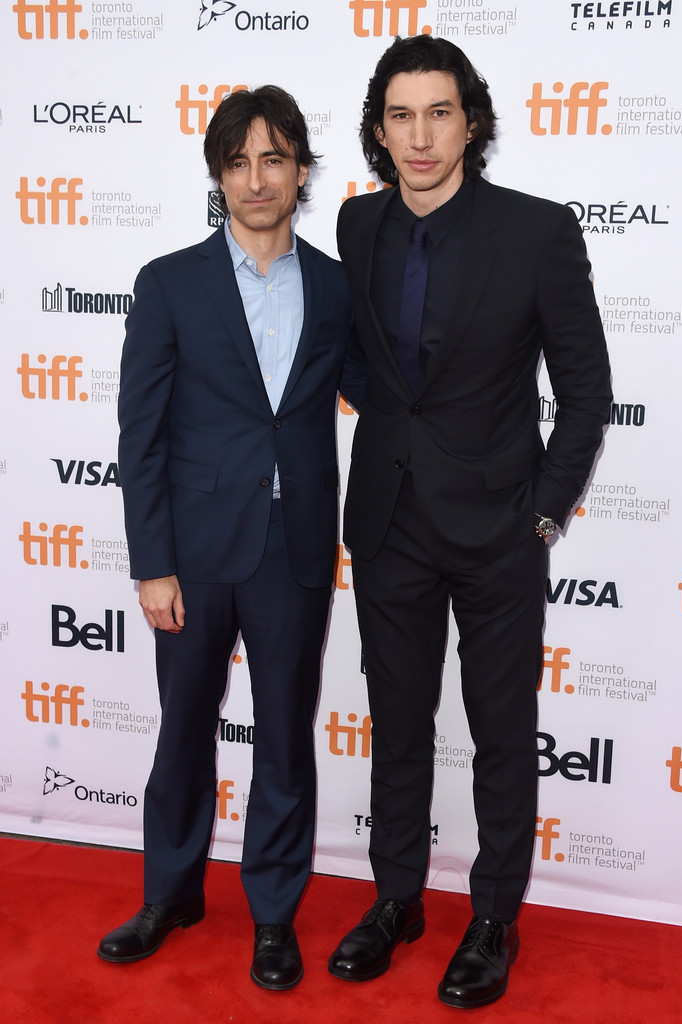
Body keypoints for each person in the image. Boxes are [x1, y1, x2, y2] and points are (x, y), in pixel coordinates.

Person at [327, 36, 612, 1008]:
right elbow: (369, 367)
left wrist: (541, 515)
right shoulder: (357, 226)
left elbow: (586, 393)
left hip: (499, 528)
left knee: (501, 730)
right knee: (397, 728)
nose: (419, 135)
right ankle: (397, 898)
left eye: (438, 112)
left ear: (472, 121)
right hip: (390, 520)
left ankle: (494, 917)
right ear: (378, 129)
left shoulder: (537, 232)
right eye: (400, 116)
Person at [98, 85, 363, 991]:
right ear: (220, 175)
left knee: (286, 736)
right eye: (240, 161)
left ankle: (274, 915)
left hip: (295, 550)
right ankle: (169, 893)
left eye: (275, 159)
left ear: (300, 173)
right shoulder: (169, 282)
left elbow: (378, 390)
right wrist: (152, 564)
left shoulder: (334, 284)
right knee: (182, 732)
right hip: (196, 554)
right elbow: (141, 434)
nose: (258, 179)